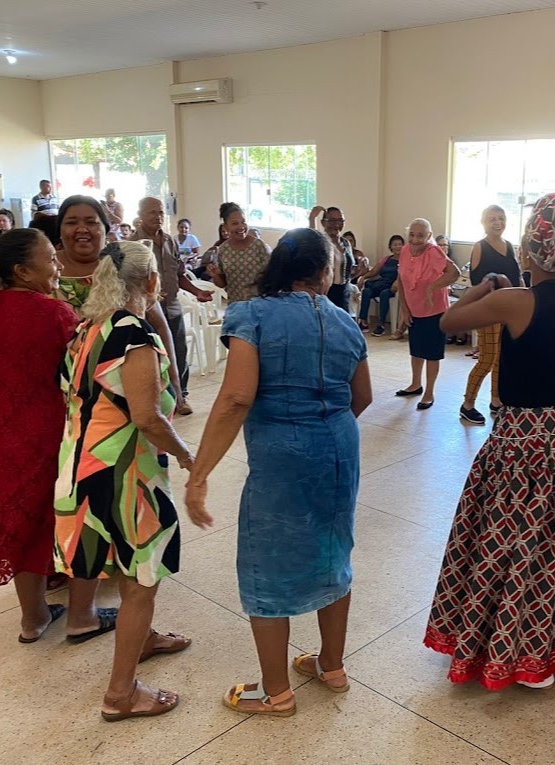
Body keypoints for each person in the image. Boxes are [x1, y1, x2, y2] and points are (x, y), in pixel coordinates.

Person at [425, 191, 555, 692]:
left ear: (527, 248)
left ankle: (515, 648)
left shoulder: (514, 301)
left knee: (516, 542)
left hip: (525, 438)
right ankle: (554, 638)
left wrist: (487, 287)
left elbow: (448, 321)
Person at [185, 227, 372, 717]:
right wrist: (323, 429)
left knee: (267, 561)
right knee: (335, 548)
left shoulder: (252, 315)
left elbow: (236, 397)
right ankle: (332, 666)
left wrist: (199, 474)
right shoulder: (346, 322)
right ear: (325, 273)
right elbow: (364, 397)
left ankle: (275, 692)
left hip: (280, 455)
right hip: (338, 449)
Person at [56, 240, 203, 721]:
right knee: (142, 578)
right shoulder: (134, 334)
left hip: (80, 469)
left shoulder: (86, 330)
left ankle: (142, 639)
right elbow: (146, 416)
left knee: (126, 565)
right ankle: (121, 694)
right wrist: (186, 456)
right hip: (123, 477)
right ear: (153, 283)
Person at [0, 228, 114, 644]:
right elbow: (85, 376)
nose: (58, 266)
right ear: (23, 271)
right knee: (77, 517)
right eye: (51, 260)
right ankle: (83, 615)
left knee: (21, 521)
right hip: (56, 431)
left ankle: (33, 618)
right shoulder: (54, 314)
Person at [53, 195, 186, 412]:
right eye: (71, 222)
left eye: (90, 222)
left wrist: (175, 383)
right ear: (60, 229)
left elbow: (160, 325)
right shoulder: (47, 269)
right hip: (60, 390)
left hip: (124, 393)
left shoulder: (124, 262)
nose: (82, 229)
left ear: (105, 229)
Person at [132, 196, 213, 413]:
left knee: (178, 352)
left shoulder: (170, 241)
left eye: (160, 212)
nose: (158, 217)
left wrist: (197, 292)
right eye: (152, 212)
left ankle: (181, 397)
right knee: (152, 356)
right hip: (146, 311)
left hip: (173, 306)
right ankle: (156, 400)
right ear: (140, 216)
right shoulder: (133, 244)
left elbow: (179, 275)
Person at [458, 205, 521, 426]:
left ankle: (496, 401)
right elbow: (477, 282)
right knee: (487, 358)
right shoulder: (479, 247)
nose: (497, 222)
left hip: (508, 311)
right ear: (483, 222)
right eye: (492, 219)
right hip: (488, 310)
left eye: (501, 218)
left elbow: (517, 278)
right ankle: (467, 405)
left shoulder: (510, 247)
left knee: (501, 358)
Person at [394, 218, 459, 410]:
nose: (415, 239)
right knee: (416, 350)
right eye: (412, 234)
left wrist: (433, 287)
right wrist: (404, 310)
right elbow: (402, 279)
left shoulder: (434, 252)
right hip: (414, 309)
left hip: (434, 310)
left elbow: (453, 273)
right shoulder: (405, 250)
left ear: (429, 236)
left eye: (420, 236)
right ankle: (415, 384)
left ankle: (429, 392)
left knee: (431, 353)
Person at [208, 203, 270, 304]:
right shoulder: (223, 250)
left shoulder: (259, 246)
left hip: (260, 305)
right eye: (235, 223)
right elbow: (222, 284)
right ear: (226, 227)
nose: (241, 227)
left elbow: (273, 275)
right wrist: (215, 275)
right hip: (236, 306)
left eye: (243, 222)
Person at [309, 205, 355, 311]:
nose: (337, 224)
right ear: (323, 222)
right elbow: (312, 240)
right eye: (332, 221)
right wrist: (312, 219)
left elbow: (348, 270)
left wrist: (360, 267)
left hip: (344, 291)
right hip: (326, 292)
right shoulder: (321, 241)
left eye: (340, 221)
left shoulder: (346, 243)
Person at [357, 234, 402, 336]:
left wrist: (397, 282)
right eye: (395, 244)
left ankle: (381, 324)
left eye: (400, 244)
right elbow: (374, 271)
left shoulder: (406, 260)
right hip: (383, 283)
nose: (398, 246)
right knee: (367, 291)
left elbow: (405, 275)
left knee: (384, 294)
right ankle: (363, 321)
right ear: (390, 247)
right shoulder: (386, 259)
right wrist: (363, 277)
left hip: (394, 286)